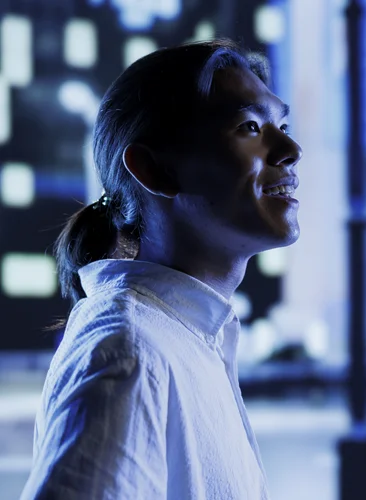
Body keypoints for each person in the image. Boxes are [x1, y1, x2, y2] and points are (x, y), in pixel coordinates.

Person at [21, 39, 302, 499]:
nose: (290, 148)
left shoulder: (184, 338)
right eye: (250, 126)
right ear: (155, 171)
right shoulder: (129, 350)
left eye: (282, 124)